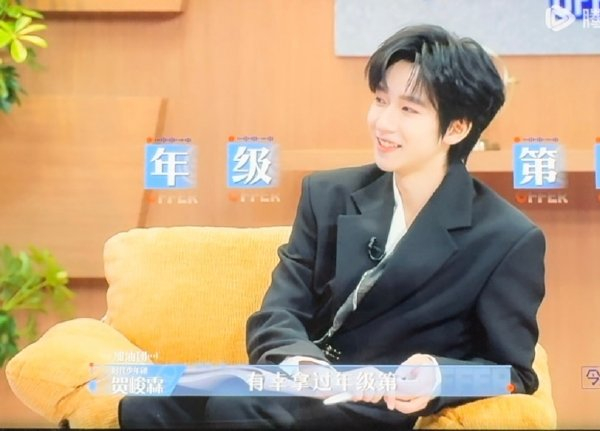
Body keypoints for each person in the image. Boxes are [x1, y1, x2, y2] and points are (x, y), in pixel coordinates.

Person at [119, 24, 546, 429]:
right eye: (380, 100)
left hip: (376, 407)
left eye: (408, 109)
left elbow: (515, 373)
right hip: (297, 381)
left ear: (457, 127)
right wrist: (303, 364)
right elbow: (279, 310)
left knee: (240, 408)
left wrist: (438, 377)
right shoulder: (328, 194)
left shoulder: (506, 238)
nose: (383, 122)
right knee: (147, 403)